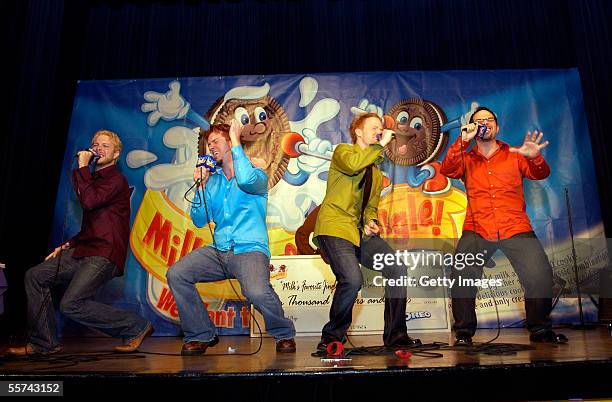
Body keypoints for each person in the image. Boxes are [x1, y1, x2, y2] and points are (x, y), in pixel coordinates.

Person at [7, 130, 153, 356]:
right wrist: (69, 243)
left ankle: (136, 326)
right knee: (35, 276)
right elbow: (94, 223)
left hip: (104, 253)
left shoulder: (116, 180)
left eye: (105, 145)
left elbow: (90, 201)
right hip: (84, 248)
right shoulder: (91, 179)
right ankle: (44, 343)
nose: (98, 148)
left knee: (70, 304)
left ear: (116, 155)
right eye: (95, 144)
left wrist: (83, 167)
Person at [166, 121, 296, 356]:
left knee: (256, 292)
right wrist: (201, 186)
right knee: (177, 273)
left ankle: (283, 333)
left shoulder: (256, 173)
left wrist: (237, 142)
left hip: (249, 249)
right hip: (219, 250)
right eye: (208, 144)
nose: (210, 146)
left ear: (230, 141)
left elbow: (244, 180)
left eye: (215, 141)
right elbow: (198, 219)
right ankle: (201, 334)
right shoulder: (213, 181)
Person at [440, 106, 567, 345]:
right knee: (462, 275)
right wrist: (461, 141)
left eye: (489, 120)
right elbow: (447, 169)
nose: (484, 123)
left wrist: (535, 157)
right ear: (473, 127)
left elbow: (541, 174)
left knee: (539, 275)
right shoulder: (466, 158)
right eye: (478, 121)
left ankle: (540, 330)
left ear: (497, 127)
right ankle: (464, 334)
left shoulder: (516, 154)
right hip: (478, 227)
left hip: (515, 226)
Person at [313, 112, 421, 351]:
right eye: (373, 128)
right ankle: (331, 337)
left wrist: (372, 220)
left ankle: (396, 335)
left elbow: (371, 205)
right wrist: (382, 145)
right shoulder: (343, 151)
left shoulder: (374, 170)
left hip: (360, 232)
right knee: (352, 280)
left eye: (380, 129)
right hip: (336, 227)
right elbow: (353, 166)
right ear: (358, 132)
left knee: (397, 267)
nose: (378, 132)